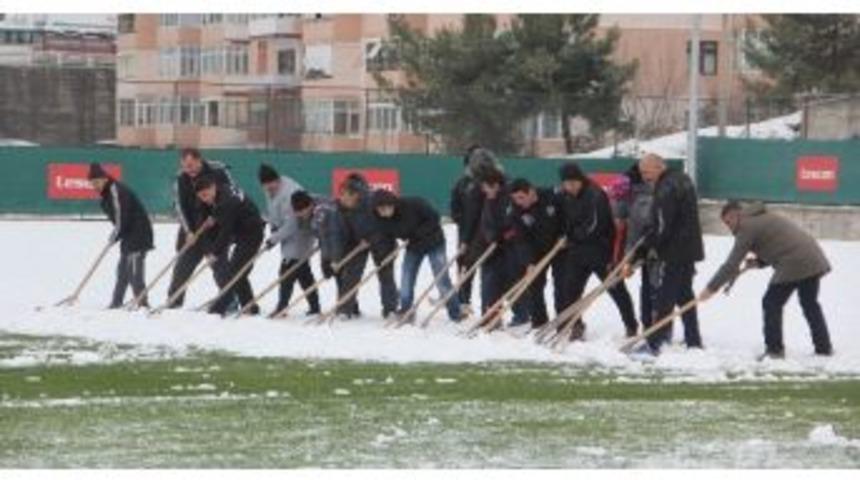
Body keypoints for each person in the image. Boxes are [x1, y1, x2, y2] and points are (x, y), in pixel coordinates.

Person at [700, 201, 833, 359]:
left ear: (735, 215)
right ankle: (823, 348)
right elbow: (780, 244)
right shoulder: (761, 218)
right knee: (809, 304)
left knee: (771, 302)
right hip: (812, 258)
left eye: (728, 222)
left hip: (794, 262)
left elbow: (731, 264)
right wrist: (759, 262)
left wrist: (711, 288)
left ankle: (774, 350)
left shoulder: (746, 227)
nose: (729, 228)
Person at [556, 163, 638, 340]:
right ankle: (576, 324)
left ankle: (631, 325)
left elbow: (594, 226)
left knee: (616, 289)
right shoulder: (565, 196)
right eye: (566, 183)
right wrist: (564, 235)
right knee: (570, 290)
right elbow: (563, 219)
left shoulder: (595, 194)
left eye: (573, 183)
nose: (570, 187)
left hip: (600, 250)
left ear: (580, 179)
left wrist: (572, 237)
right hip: (577, 252)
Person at [635, 153, 704, 352]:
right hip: (688, 248)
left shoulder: (666, 187)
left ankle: (655, 342)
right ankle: (694, 340)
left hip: (675, 250)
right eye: (642, 172)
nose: (645, 176)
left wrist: (650, 244)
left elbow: (664, 223)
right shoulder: (682, 179)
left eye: (647, 172)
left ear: (659, 167)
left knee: (666, 296)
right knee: (684, 296)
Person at [371, 189, 463, 324]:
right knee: (406, 279)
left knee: (441, 279)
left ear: (392, 204)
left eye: (385, 209)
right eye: (379, 210)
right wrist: (385, 255)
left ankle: (455, 312)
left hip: (434, 243)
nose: (383, 213)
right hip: (414, 247)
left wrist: (417, 234)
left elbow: (434, 218)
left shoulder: (414, 204)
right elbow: (386, 238)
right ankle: (406, 311)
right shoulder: (380, 220)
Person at [166, 147, 235, 308]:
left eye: (190, 164)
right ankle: (174, 301)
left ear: (199, 160)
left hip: (216, 229)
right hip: (192, 229)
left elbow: (232, 196)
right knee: (182, 267)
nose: (187, 169)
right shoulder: (181, 178)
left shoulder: (217, 170)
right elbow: (180, 207)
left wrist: (219, 216)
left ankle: (230, 301)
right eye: (184, 165)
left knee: (219, 266)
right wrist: (188, 231)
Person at [194, 174, 265, 316]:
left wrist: (214, 253)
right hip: (238, 231)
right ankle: (250, 307)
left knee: (234, 272)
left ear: (213, 187)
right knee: (240, 272)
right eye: (201, 196)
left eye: (206, 195)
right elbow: (204, 218)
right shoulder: (214, 195)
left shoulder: (227, 201)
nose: (205, 199)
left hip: (252, 233)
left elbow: (225, 232)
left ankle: (218, 309)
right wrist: (206, 244)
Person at [87, 163, 154, 309]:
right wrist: (117, 234)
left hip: (139, 234)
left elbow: (122, 217)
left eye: (97, 182)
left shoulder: (115, 190)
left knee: (134, 271)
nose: (95, 186)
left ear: (105, 179)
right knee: (123, 270)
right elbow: (119, 221)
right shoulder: (105, 196)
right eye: (92, 183)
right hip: (127, 235)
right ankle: (116, 303)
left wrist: (114, 236)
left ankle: (142, 304)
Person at [258, 164, 319, 316]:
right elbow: (272, 209)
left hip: (301, 233)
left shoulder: (291, 193)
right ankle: (315, 307)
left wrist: (273, 239)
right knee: (303, 271)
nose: (268, 190)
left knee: (287, 270)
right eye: (266, 187)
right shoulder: (269, 190)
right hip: (286, 233)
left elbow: (292, 224)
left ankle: (282, 306)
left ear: (277, 180)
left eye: (271, 186)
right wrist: (273, 226)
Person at [336, 173, 399, 319]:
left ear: (355, 195)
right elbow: (345, 230)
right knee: (351, 275)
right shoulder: (343, 207)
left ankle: (390, 309)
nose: (342, 199)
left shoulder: (373, 201)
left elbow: (386, 224)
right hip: (358, 243)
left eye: (345, 196)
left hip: (382, 241)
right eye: (341, 195)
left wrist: (371, 240)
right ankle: (345, 309)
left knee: (386, 275)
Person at [507, 178, 565, 329]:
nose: (519, 202)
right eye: (515, 198)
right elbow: (521, 240)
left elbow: (567, 215)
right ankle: (539, 322)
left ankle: (564, 322)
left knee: (562, 285)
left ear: (531, 192)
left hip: (560, 247)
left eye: (521, 197)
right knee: (534, 286)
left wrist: (565, 235)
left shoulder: (551, 196)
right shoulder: (515, 210)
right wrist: (529, 262)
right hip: (536, 250)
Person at [475, 166, 529, 325]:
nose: (484, 190)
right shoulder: (489, 199)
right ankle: (491, 316)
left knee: (511, 282)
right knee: (489, 282)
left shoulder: (510, 197)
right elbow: (485, 224)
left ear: (496, 185)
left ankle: (522, 314)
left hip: (511, 248)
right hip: (493, 248)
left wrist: (503, 236)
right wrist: (491, 237)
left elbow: (514, 222)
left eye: (486, 186)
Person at [607, 163, 655, 335]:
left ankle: (654, 329)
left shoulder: (643, 200)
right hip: (639, 247)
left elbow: (636, 231)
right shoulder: (628, 194)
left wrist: (629, 259)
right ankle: (649, 327)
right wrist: (627, 260)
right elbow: (625, 231)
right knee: (648, 288)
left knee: (653, 289)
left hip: (653, 249)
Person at [291, 190, 346, 315]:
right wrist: (326, 262)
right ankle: (347, 306)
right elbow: (321, 238)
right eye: (297, 212)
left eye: (301, 212)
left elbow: (332, 237)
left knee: (341, 274)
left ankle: (347, 307)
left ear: (309, 207)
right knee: (333, 272)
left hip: (344, 239)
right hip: (328, 239)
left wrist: (334, 260)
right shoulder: (307, 206)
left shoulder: (324, 212)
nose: (299, 215)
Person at [450, 144, 489, 313]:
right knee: (464, 266)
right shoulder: (462, 183)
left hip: (487, 232)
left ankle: (489, 306)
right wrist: (461, 221)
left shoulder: (492, 180)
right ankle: (463, 301)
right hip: (466, 232)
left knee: (488, 269)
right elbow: (455, 206)